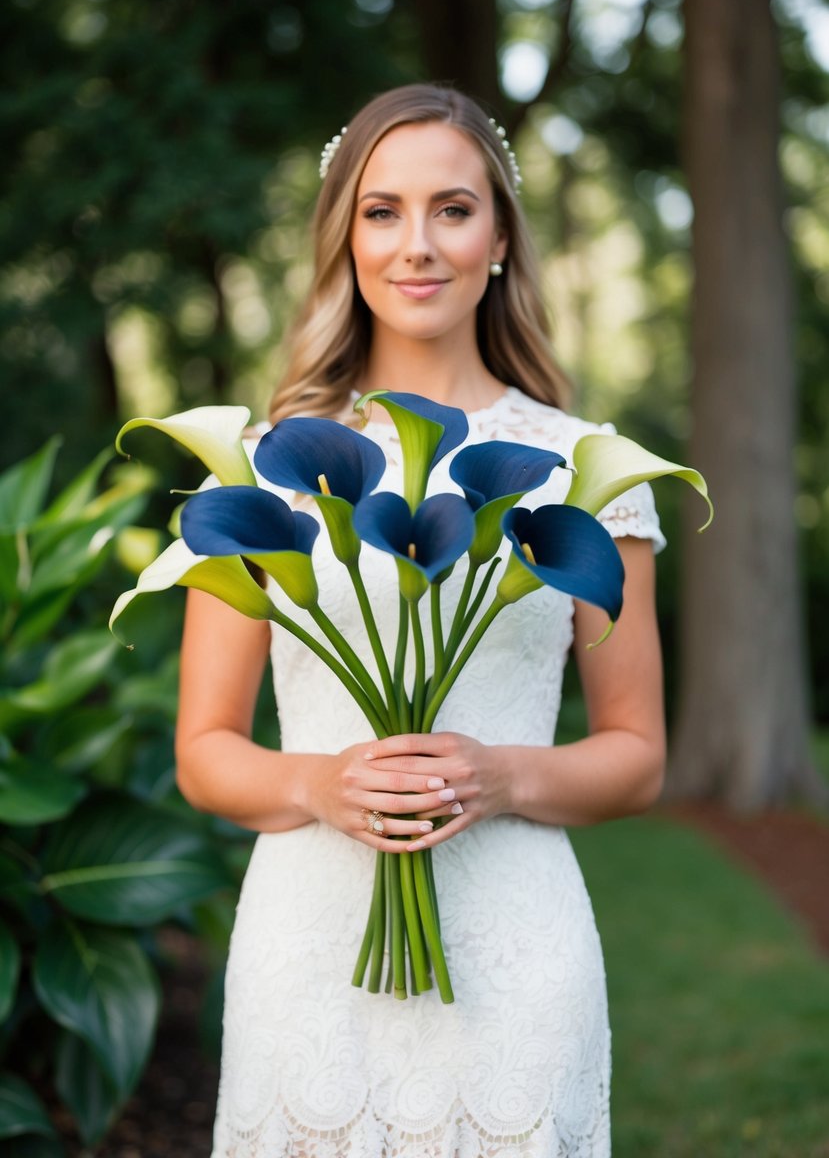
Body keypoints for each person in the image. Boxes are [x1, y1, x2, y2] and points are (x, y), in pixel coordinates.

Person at [176, 83, 666, 1157]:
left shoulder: (590, 466)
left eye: (452, 208)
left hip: (517, 958)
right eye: (382, 211)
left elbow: (637, 756)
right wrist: (314, 781)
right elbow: (205, 753)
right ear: (345, 238)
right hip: (307, 953)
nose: (418, 244)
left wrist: (501, 774)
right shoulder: (269, 467)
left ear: (499, 237)